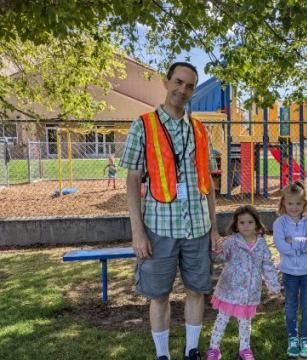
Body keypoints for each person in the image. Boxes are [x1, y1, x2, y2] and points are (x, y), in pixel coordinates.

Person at [119, 62, 220, 360]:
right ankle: (162, 354)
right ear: (166, 82)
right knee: (159, 295)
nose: (182, 90)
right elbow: (133, 180)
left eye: (189, 86)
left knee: (196, 291)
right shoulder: (144, 125)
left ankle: (191, 351)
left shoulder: (200, 130)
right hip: (159, 228)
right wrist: (138, 232)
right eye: (178, 82)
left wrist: (214, 228)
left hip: (198, 228)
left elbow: (208, 184)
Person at [206, 205, 280, 360]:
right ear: (236, 225)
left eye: (250, 222)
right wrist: (217, 250)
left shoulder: (261, 244)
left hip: (249, 293)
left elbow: (267, 265)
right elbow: (221, 257)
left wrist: (273, 284)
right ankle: (214, 349)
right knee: (222, 319)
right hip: (229, 289)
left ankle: (245, 349)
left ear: (257, 224)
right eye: (242, 223)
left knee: (245, 322)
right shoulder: (231, 241)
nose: (246, 226)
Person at [273, 181, 307, 358]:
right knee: (291, 305)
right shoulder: (280, 223)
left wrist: (295, 241)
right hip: (290, 273)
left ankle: (306, 338)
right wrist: (303, 245)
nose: (294, 207)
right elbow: (281, 246)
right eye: (290, 203)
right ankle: (293, 337)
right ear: (284, 203)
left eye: (298, 203)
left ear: (304, 204)